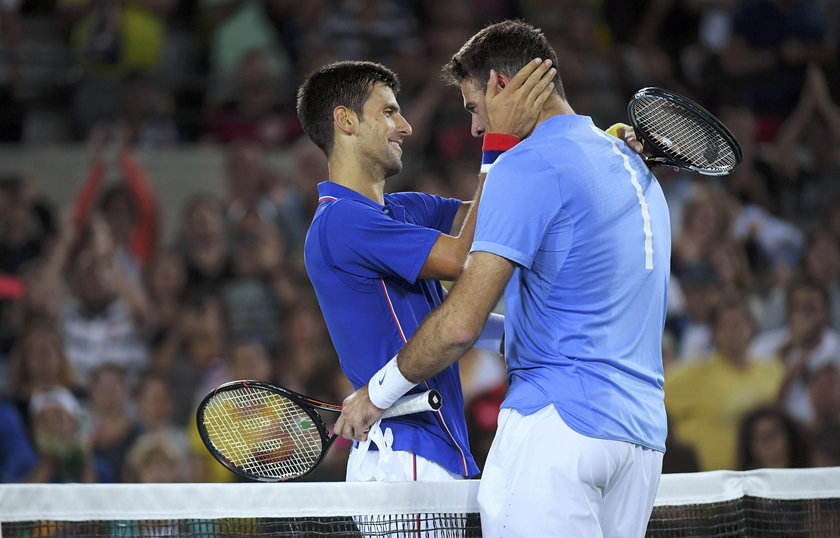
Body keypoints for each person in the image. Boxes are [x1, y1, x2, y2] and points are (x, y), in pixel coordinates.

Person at [336, 20, 670, 537]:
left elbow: (460, 326)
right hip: (642, 442)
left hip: (559, 429)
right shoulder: (628, 161)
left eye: (474, 107)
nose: (474, 128)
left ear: (500, 86)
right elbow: (547, 312)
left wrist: (377, 394)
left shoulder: (527, 165)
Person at [296, 58, 557, 483]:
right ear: (345, 121)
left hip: (427, 451)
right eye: (388, 112)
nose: (406, 127)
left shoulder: (402, 210)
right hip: (403, 452)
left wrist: (592, 151)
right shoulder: (341, 223)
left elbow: (503, 216)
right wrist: (499, 142)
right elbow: (462, 258)